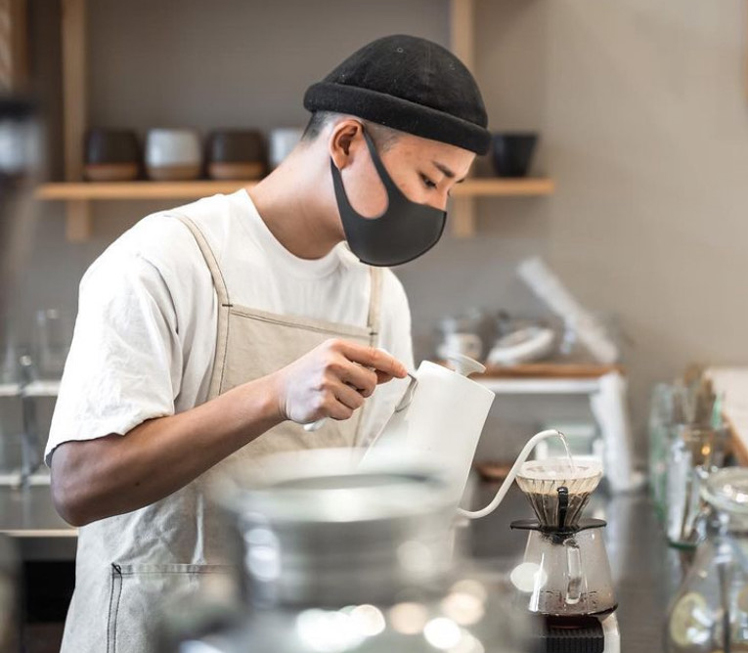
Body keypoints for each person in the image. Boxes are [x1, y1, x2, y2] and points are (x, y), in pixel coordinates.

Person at [44, 34, 490, 653]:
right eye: (430, 179)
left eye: (452, 188)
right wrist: (276, 394)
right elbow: (79, 486)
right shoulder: (166, 259)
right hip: (151, 632)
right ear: (346, 143)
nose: (439, 208)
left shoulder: (378, 297)